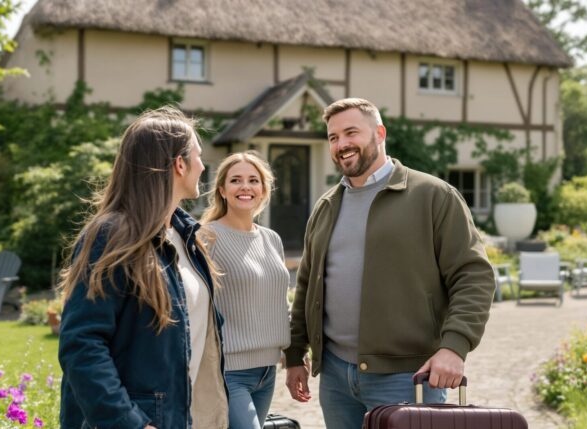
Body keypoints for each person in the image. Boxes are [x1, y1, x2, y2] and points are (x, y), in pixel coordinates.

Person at [284, 98, 495, 428]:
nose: (342, 144)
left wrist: (454, 348)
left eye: (351, 132)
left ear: (379, 133)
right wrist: (296, 353)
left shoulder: (433, 196)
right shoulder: (326, 206)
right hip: (336, 378)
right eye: (333, 137)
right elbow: (307, 286)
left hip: (407, 377)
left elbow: (474, 276)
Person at [57, 107, 228, 429]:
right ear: (179, 164)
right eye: (198, 155)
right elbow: (82, 345)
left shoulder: (186, 236)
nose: (204, 166)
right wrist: (129, 422)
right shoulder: (113, 235)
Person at [199, 151, 291, 429]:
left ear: (263, 190)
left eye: (253, 180)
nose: (245, 187)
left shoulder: (271, 239)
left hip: (268, 370)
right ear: (222, 190)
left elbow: (278, 302)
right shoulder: (206, 237)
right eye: (236, 180)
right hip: (228, 371)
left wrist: (293, 352)